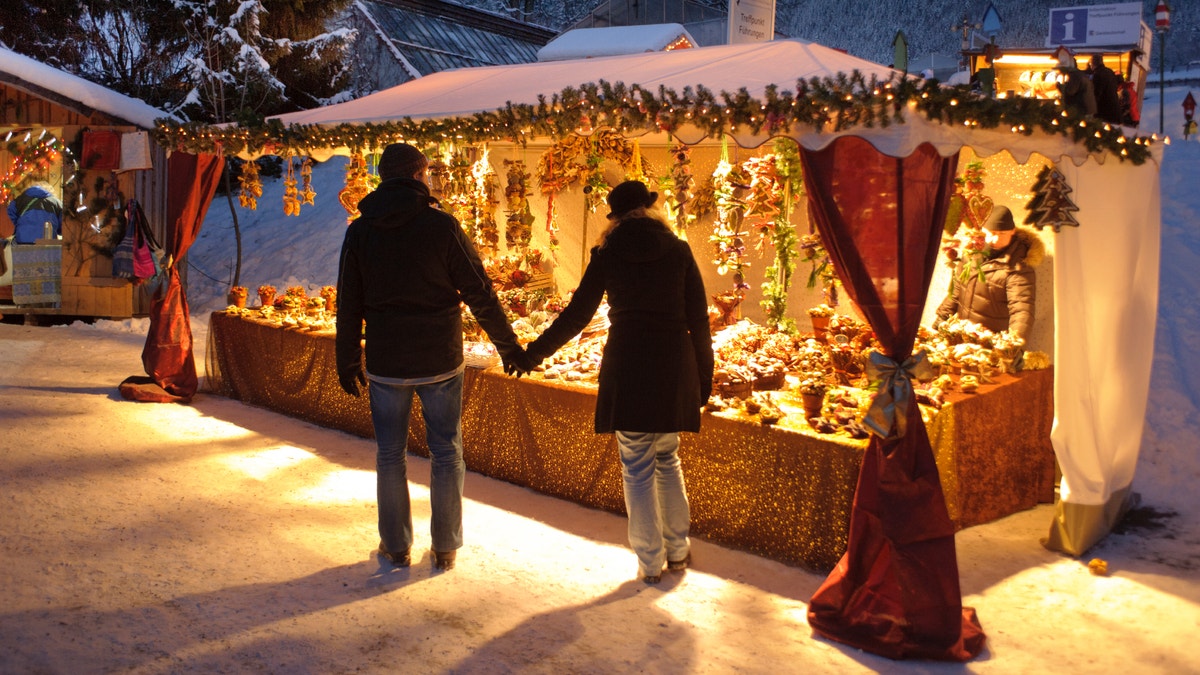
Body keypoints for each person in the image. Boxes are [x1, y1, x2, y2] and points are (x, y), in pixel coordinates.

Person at [335, 142, 525, 572]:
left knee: (389, 455)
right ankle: (445, 546)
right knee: (445, 451)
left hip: (387, 361)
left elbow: (348, 302)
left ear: (384, 177)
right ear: (420, 175)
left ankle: (396, 545)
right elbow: (479, 289)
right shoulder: (442, 227)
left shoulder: (360, 231)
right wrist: (508, 345)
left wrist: (346, 356)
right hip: (439, 358)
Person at [515, 180, 714, 584]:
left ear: (616, 216)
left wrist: (533, 352)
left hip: (629, 364)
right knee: (667, 459)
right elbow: (699, 319)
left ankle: (649, 561)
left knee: (638, 467)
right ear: (651, 209)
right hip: (673, 365)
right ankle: (677, 551)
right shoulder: (678, 250)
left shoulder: (607, 253)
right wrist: (703, 378)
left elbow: (576, 316)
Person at [936, 205, 1042, 342]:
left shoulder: (1018, 267)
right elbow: (957, 289)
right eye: (990, 233)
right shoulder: (971, 253)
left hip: (989, 343)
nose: (994, 239)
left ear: (1012, 232)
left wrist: (1014, 345)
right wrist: (941, 318)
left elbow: (1022, 310)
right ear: (983, 230)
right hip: (959, 335)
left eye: (1001, 234)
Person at [1055, 49, 1096, 118]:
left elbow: (1070, 91)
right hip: (1087, 107)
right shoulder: (1079, 74)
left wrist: (1059, 86)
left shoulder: (1075, 76)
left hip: (1082, 109)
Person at [1088, 54, 1122, 125]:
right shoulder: (1109, 71)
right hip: (1115, 108)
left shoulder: (1098, 74)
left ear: (1093, 64)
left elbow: (1097, 94)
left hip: (1105, 111)